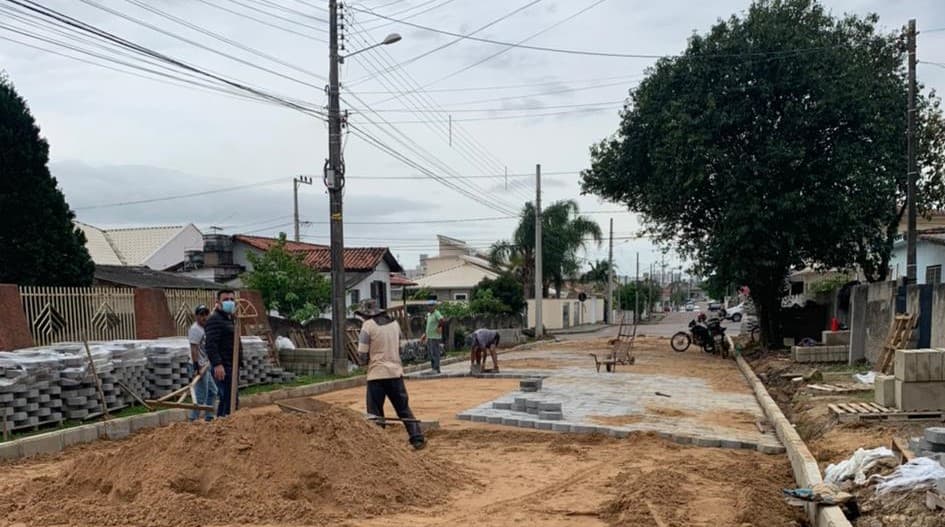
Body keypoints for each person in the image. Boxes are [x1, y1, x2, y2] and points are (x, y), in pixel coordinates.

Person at [356, 299, 426, 450]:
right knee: (403, 408)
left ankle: (378, 444)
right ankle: (417, 438)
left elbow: (362, 355)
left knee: (375, 412)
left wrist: (364, 363)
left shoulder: (367, 326)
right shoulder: (395, 325)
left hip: (376, 375)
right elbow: (400, 348)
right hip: (395, 372)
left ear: (366, 314)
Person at [204, 289, 241, 417]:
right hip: (224, 366)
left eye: (232, 299)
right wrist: (218, 364)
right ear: (218, 302)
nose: (229, 302)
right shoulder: (215, 319)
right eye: (226, 300)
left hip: (232, 364)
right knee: (227, 398)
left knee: (231, 398)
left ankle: (225, 424)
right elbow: (210, 345)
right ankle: (223, 424)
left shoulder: (230, 318)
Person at [187, 304, 218, 421]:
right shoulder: (195, 329)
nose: (204, 317)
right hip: (198, 365)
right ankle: (193, 420)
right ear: (196, 316)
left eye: (206, 314)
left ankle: (209, 417)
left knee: (213, 391)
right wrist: (196, 367)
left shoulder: (205, 327)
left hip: (205, 364)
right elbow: (193, 348)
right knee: (200, 395)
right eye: (201, 315)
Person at [420, 300, 444, 373]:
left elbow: (442, 320)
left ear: (434, 306)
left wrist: (439, 327)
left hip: (435, 336)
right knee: (431, 353)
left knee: (435, 353)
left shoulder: (436, 313)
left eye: (431, 306)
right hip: (430, 336)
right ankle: (433, 368)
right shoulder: (429, 314)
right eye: (428, 306)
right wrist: (425, 334)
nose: (429, 307)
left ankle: (436, 368)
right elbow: (428, 326)